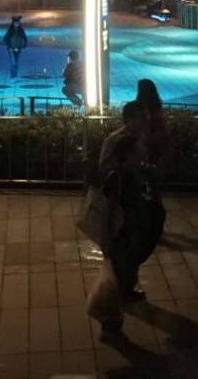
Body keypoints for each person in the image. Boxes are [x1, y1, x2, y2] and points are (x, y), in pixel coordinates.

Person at [87, 111, 152, 338]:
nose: (140, 156)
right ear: (127, 156)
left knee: (123, 273)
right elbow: (110, 210)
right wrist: (107, 241)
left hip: (126, 233)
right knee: (117, 277)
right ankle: (110, 324)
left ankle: (117, 310)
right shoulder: (118, 178)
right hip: (120, 235)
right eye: (136, 154)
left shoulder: (130, 174)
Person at [131, 79, 170, 288]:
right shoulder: (157, 110)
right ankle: (156, 223)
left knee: (142, 190)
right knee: (155, 192)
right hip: (155, 160)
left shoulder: (141, 111)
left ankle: (148, 222)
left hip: (144, 158)